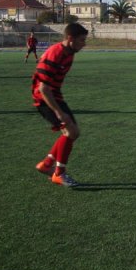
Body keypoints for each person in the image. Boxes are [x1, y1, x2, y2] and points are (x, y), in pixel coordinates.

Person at [33, 23, 88, 187]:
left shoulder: (69, 52)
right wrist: (59, 112)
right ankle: (59, 173)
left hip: (54, 95)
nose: (84, 44)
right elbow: (43, 88)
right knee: (71, 131)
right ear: (70, 38)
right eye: (82, 40)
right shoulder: (55, 54)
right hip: (44, 98)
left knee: (73, 132)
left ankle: (46, 165)